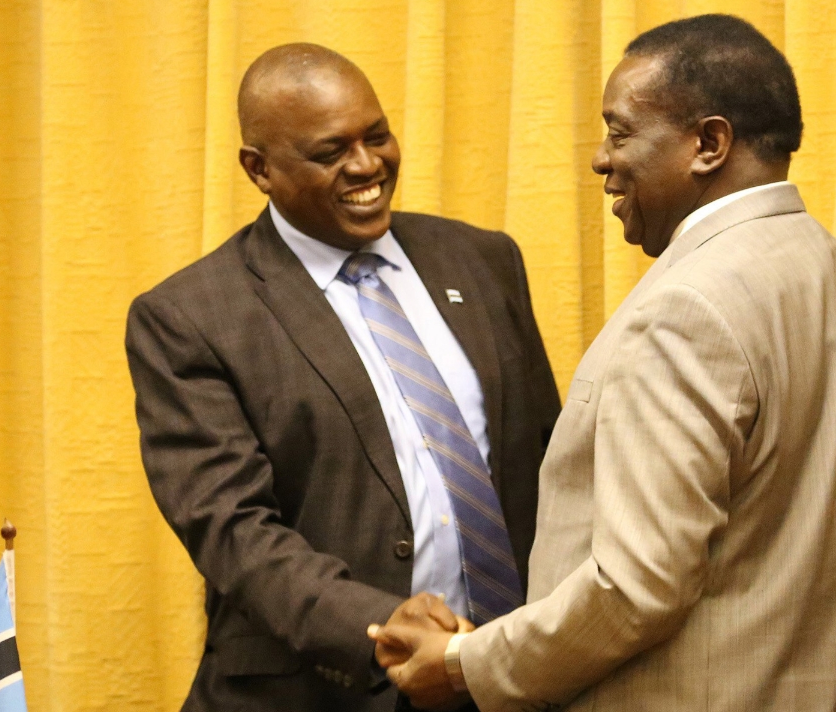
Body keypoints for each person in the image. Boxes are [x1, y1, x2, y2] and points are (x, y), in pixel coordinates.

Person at [372, 14, 836, 712]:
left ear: (709, 143)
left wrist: (462, 662)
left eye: (620, 130)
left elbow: (635, 587)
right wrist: (776, 618)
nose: (600, 159)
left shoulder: (686, 309)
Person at [125, 43, 561, 711]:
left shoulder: (482, 259)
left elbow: (547, 460)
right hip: (319, 691)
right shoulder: (190, 319)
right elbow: (234, 532)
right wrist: (380, 627)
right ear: (259, 168)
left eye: (377, 136)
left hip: (507, 676)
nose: (366, 166)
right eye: (331, 152)